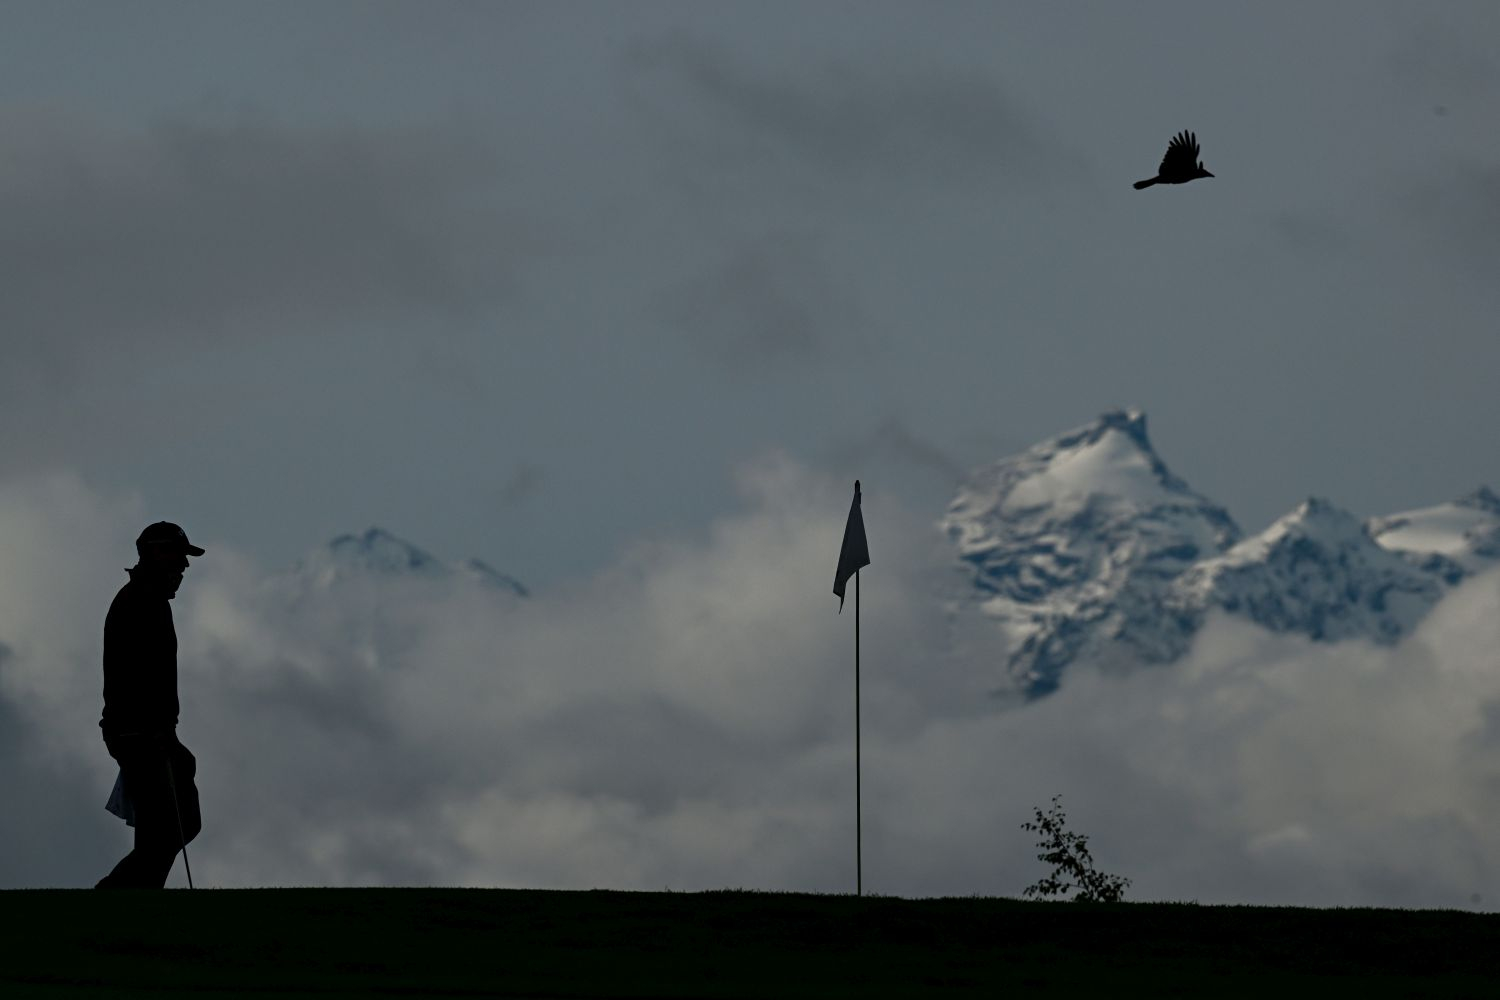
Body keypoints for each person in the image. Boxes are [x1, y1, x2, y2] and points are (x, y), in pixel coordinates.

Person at [95, 521, 205, 889]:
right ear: (157, 554)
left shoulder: (147, 599)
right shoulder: (140, 601)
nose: (184, 567)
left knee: (170, 822)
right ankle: (122, 893)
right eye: (178, 557)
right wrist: (153, 729)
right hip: (140, 731)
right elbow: (135, 675)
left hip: (146, 730)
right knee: (170, 822)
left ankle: (136, 894)